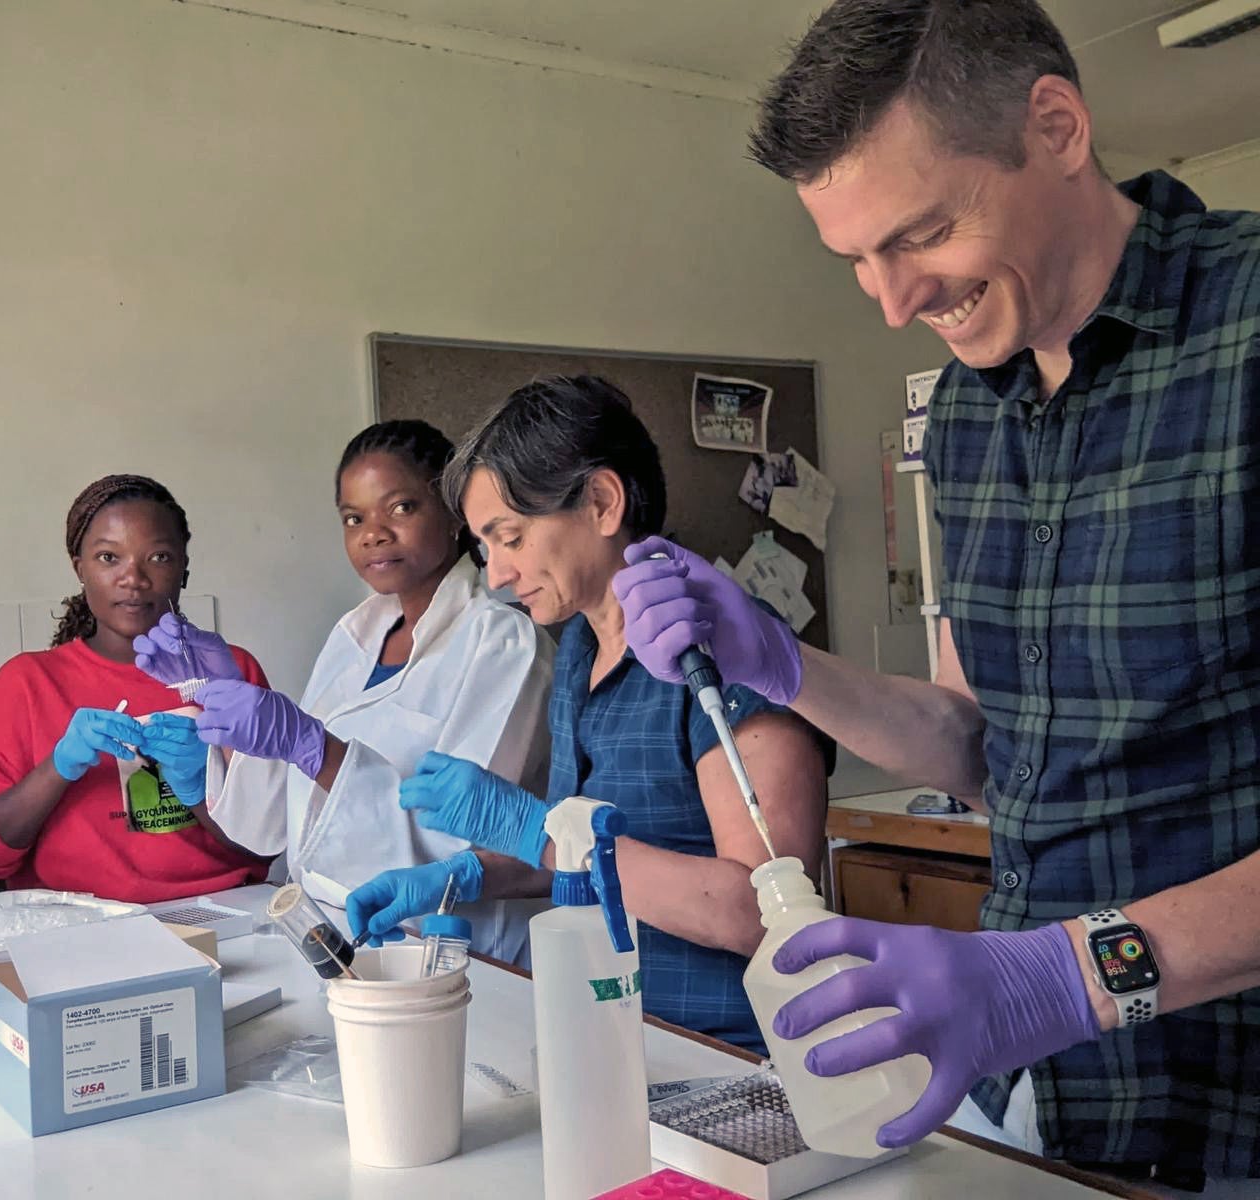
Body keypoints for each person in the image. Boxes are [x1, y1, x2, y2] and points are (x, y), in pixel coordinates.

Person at [615, 1, 1259, 1189]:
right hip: (1046, 1103)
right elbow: (980, 747)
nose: (892, 301)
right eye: (857, 260)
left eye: (920, 235)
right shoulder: (965, 413)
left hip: (1234, 1107)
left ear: (1055, 127)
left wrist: (1065, 975)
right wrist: (783, 664)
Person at [345, 378, 831, 1051]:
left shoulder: (723, 647)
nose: (497, 575)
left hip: (729, 1050)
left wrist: (534, 827)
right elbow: (582, 857)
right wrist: (471, 873)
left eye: (510, 538)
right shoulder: (579, 647)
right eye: (485, 548)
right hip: (615, 1026)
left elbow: (761, 912)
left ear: (601, 502)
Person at [134, 420, 556, 964]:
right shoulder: (353, 636)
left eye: (400, 508)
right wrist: (227, 701)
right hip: (336, 935)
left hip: (458, 952)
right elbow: (273, 828)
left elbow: (463, 848)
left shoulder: (504, 643)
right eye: (354, 518)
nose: (372, 533)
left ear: (455, 514)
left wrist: (318, 749)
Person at [0, 475, 271, 901]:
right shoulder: (26, 684)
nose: (133, 578)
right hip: (78, 927)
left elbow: (268, 844)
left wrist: (201, 787)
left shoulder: (230, 672)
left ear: (184, 570)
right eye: (108, 557)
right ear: (79, 568)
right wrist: (56, 769)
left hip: (225, 913)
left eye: (158, 557)